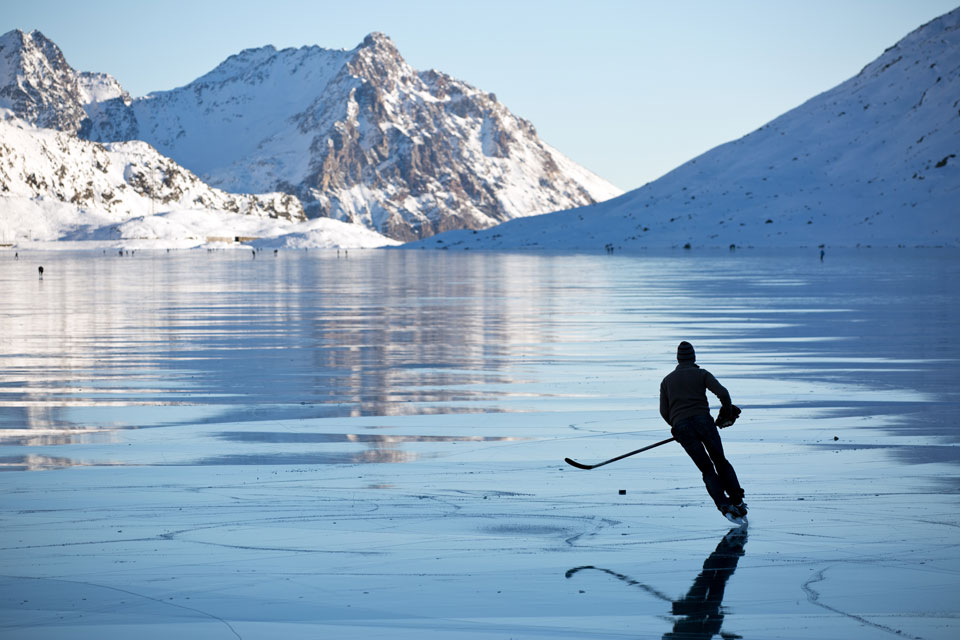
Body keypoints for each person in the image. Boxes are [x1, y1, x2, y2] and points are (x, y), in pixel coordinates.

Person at [660, 341, 746, 524]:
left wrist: (676, 426)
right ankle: (737, 501)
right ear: (693, 357)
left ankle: (724, 505)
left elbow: (664, 411)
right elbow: (723, 393)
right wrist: (727, 412)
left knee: (706, 469)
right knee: (720, 461)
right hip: (703, 422)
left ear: (678, 359)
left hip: (682, 427)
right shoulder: (702, 374)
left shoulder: (667, 381)